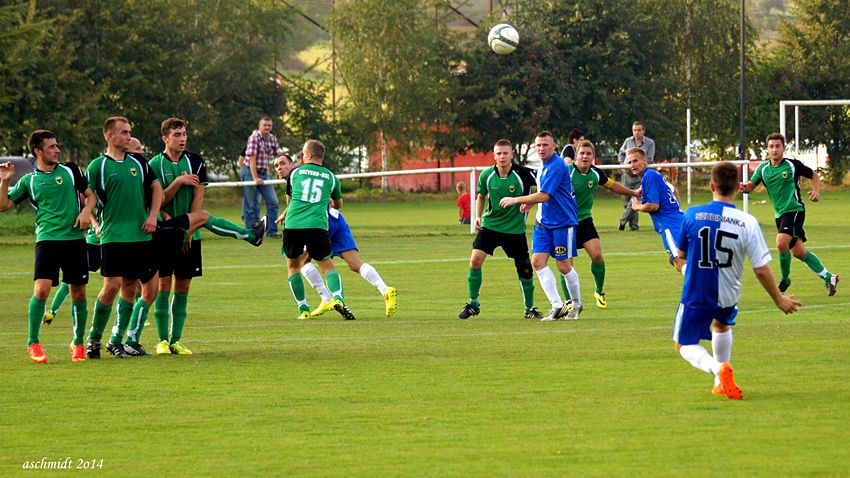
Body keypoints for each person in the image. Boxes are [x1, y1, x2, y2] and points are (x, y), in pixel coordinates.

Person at [673, 161, 800, 400]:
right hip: (728, 294)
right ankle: (721, 383)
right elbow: (761, 269)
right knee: (720, 324)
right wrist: (778, 299)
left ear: (712, 185)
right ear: (736, 188)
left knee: (683, 345)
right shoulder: (748, 222)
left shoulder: (691, 215)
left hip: (697, 292)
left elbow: (679, 256)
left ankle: (718, 370)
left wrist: (681, 266)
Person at [148, 117, 268, 356]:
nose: (182, 139)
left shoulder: (196, 161)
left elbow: (198, 198)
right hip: (166, 230)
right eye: (177, 135)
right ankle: (161, 340)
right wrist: (178, 182)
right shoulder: (154, 164)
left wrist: (191, 229)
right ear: (165, 138)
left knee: (183, 286)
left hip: (191, 231)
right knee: (163, 284)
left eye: (184, 134)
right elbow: (159, 202)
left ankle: (175, 341)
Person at [0, 130, 96, 363]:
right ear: (38, 151)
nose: (57, 150)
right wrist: (4, 181)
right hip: (47, 240)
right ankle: (33, 342)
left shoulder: (72, 170)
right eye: (51, 147)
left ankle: (78, 342)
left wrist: (85, 212)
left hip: (74, 240)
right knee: (42, 289)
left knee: (78, 292)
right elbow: (3, 205)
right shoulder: (29, 181)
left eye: (57, 146)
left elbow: (90, 196)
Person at [273, 155, 397, 319]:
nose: (280, 168)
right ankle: (385, 289)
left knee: (302, 261)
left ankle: (327, 299)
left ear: (293, 163)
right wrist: (284, 213)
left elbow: (300, 204)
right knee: (354, 263)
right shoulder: (319, 175)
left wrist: (287, 215)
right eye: (276, 165)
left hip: (320, 222)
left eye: (283, 163)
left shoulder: (298, 175)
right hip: (337, 219)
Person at [738, 133, 839, 296]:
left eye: (778, 146)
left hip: (795, 210)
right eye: (771, 146)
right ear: (767, 149)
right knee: (798, 251)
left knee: (780, 242)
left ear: (783, 148)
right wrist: (744, 187)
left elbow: (813, 175)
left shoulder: (792, 165)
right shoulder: (763, 169)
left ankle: (785, 280)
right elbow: (750, 186)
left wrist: (816, 190)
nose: (774, 149)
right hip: (780, 215)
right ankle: (829, 277)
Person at [499, 131, 582, 321]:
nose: (541, 148)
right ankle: (557, 306)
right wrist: (531, 202)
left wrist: (516, 199)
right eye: (538, 145)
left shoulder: (557, 166)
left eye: (545, 145)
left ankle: (576, 304)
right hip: (543, 223)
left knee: (563, 265)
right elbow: (543, 194)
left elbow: (545, 195)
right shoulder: (542, 166)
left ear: (554, 147)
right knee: (537, 262)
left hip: (562, 222)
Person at [457, 139, 541, 320]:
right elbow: (481, 196)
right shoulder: (486, 175)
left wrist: (530, 202)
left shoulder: (524, 174)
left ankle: (529, 309)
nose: (502, 156)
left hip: (515, 229)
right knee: (475, 260)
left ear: (512, 155)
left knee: (525, 269)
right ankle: (473, 304)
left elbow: (545, 189)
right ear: (494, 156)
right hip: (491, 226)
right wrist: (478, 216)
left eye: (505, 153)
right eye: (498, 153)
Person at [282, 140, 355, 320]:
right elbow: (338, 204)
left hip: (293, 224)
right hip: (317, 225)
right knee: (327, 266)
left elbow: (289, 201)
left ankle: (303, 310)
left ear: (307, 155)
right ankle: (338, 298)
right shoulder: (331, 177)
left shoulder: (295, 173)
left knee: (293, 267)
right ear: (321, 156)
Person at [563, 140, 641, 309]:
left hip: (584, 220)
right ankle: (569, 301)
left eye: (588, 153)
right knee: (567, 265)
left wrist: (633, 192)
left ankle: (599, 291)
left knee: (597, 256)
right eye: (582, 153)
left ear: (593, 157)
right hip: (566, 223)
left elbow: (613, 186)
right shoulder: (565, 172)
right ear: (576, 155)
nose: (585, 156)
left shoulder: (595, 174)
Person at [627, 147, 686, 274]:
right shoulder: (653, 175)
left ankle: (700, 290)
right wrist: (677, 209)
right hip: (680, 219)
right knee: (674, 259)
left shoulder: (649, 176)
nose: (632, 165)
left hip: (670, 224)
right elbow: (674, 190)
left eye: (635, 161)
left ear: (645, 161)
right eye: (630, 162)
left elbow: (653, 206)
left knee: (678, 260)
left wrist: (637, 206)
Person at [242, 116, 281, 237]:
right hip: (250, 172)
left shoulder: (272, 139)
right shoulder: (254, 138)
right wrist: (255, 177)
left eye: (269, 125)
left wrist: (284, 170)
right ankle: (250, 231)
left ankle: (272, 231)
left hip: (264, 174)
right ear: (260, 126)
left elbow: (279, 156)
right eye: (265, 125)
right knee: (250, 204)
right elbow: (252, 158)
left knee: (273, 202)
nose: (267, 128)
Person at [618, 121, 655, 231]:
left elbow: (650, 159)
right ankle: (633, 226)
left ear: (643, 130)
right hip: (627, 174)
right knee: (626, 201)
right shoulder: (627, 141)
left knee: (635, 199)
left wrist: (638, 165)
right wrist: (622, 164)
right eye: (634, 130)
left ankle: (623, 220)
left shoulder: (650, 143)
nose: (637, 132)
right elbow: (621, 153)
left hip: (640, 175)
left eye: (639, 130)